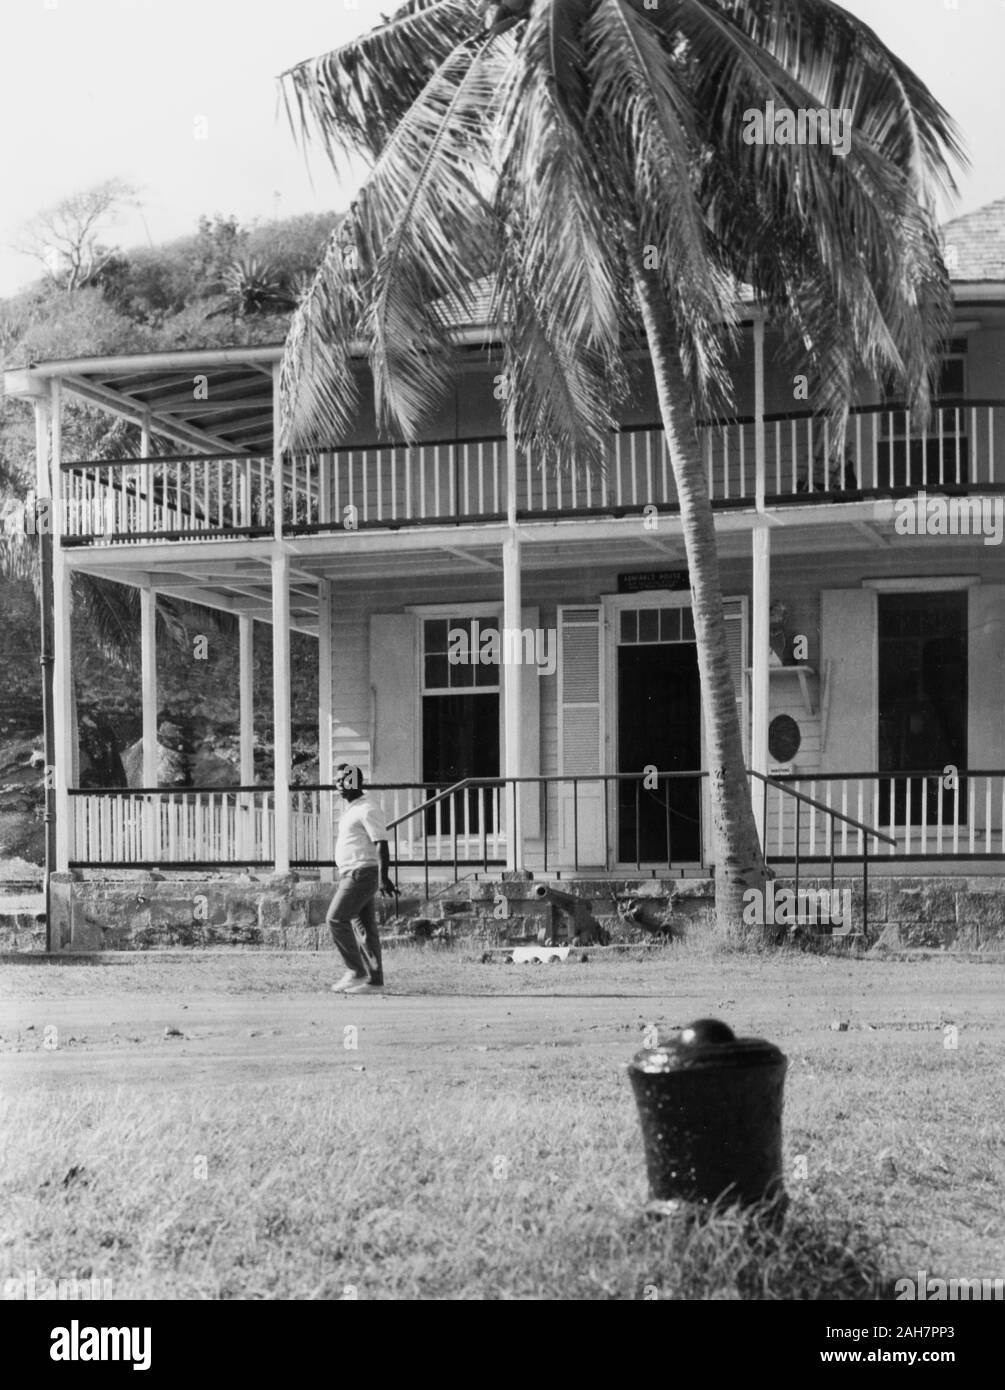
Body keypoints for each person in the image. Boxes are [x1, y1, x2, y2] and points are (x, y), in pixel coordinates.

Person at [326, 764, 398, 994]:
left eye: (344, 781)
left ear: (355, 782)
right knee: (366, 929)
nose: (340, 786)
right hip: (351, 872)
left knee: (336, 919)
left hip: (361, 873)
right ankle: (375, 981)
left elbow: (381, 843)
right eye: (338, 781)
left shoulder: (367, 808)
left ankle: (356, 971)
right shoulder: (353, 809)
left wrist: (383, 876)